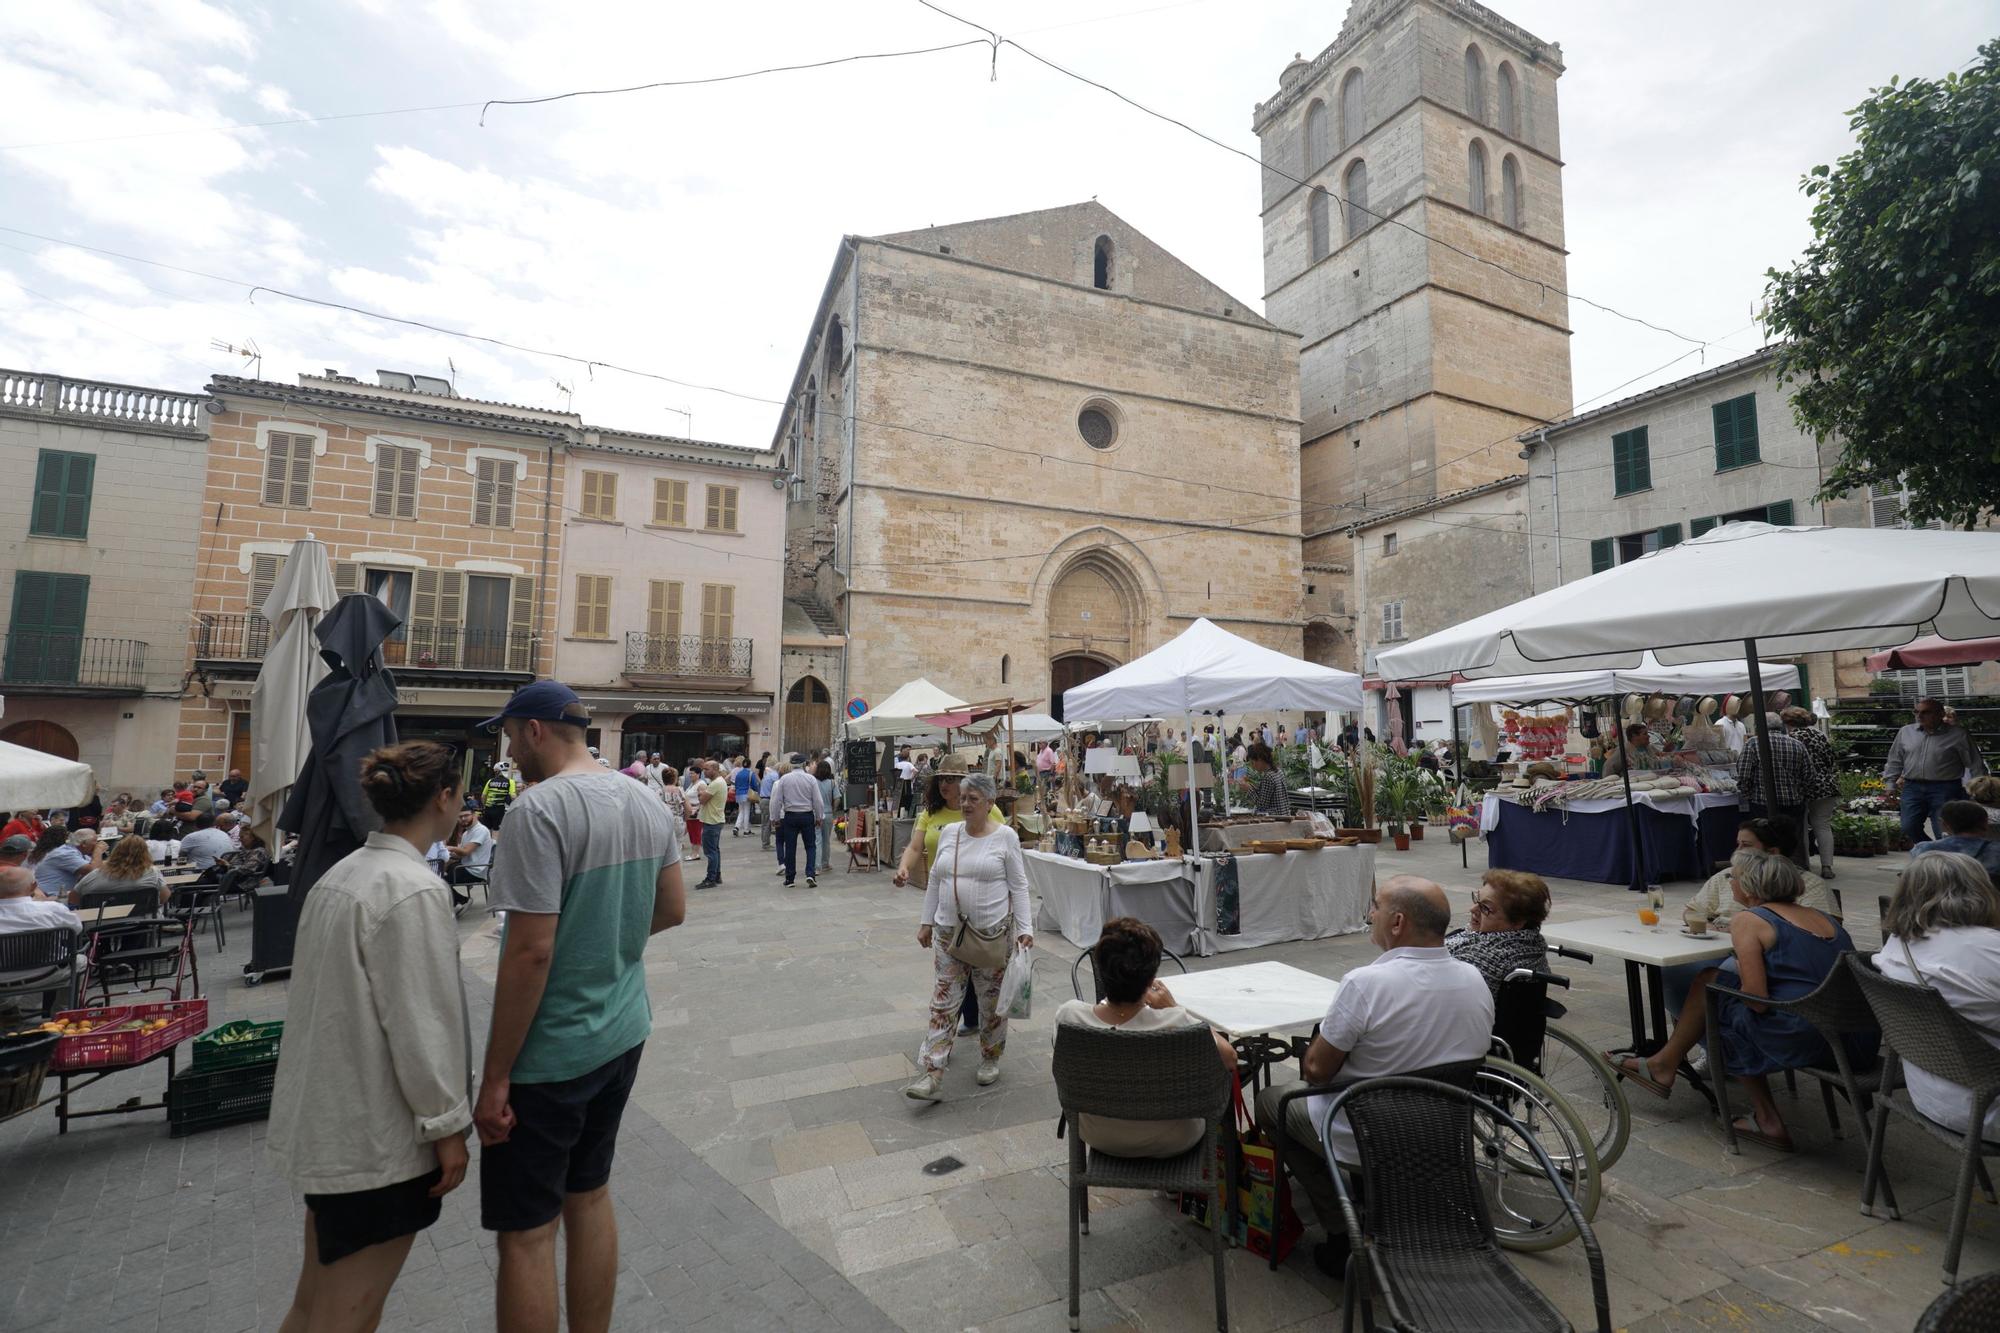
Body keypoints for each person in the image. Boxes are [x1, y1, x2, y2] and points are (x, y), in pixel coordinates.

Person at [472, 681, 685, 1333]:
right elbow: (672, 908)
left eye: (509, 735)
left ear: (534, 729)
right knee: (589, 1195)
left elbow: (531, 952)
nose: (509, 751)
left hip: (552, 1051)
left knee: (528, 1234)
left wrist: (495, 1076)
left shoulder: (539, 811)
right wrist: (606, 939)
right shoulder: (643, 797)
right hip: (622, 1031)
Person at [268, 741, 472, 1333]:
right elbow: (422, 1022)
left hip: (332, 1125)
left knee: (312, 1303)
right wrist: (447, 1125)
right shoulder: (410, 888)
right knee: (346, 1314)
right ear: (443, 797)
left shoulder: (344, 873)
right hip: (377, 1141)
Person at [1254, 876, 1493, 1275]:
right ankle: (1374, 1197)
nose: (1370, 915)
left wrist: (1322, 1045)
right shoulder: (1474, 979)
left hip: (1366, 1132)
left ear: (1397, 922)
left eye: (1375, 907)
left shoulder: (1366, 984)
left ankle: (1340, 1231)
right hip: (1441, 1132)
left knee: (1270, 1103)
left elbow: (1315, 1070)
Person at [1612, 850, 1863, 1152]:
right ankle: (1663, 1063)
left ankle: (1764, 1116)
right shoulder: (1823, 918)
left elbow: (1755, 1001)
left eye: (1734, 877)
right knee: (1712, 984)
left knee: (1712, 998)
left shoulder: (1751, 920)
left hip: (1803, 1035)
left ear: (1750, 886)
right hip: (1852, 1036)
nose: (1730, 883)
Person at [1054, 917, 1237, 1157]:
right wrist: (1173, 1006)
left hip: (1098, 1135)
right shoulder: (1176, 1022)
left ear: (1100, 969)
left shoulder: (1068, 1016)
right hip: (1174, 1138)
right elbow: (1230, 1058)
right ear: (1151, 980)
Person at [904, 772, 1032, 1102]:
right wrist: (925, 922)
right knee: (943, 1002)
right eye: (963, 798)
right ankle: (932, 1072)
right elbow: (935, 880)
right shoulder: (949, 833)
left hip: (991, 934)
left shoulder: (1005, 837)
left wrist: (1026, 930)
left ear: (990, 803)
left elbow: (1018, 886)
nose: (965, 804)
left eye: (973, 798)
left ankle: (990, 1056)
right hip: (949, 932)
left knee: (991, 1004)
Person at [1875, 851, 2000, 1140]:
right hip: (1987, 1103)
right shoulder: (1987, 949)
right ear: (1980, 888)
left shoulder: (1897, 943)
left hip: (1932, 1095)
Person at [895, 765, 981, 1036]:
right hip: (943, 902)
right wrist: (904, 867)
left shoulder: (985, 810)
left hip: (979, 904)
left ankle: (974, 1018)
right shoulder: (930, 814)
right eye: (942, 779)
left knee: (978, 967)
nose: (945, 784)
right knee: (950, 969)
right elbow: (916, 846)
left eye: (952, 779)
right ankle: (946, 1029)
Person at [1885, 697, 1988, 844]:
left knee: (1943, 830)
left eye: (1926, 712)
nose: (1919, 716)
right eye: (1916, 712)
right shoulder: (1905, 732)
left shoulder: (1958, 735)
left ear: (1940, 714)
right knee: (1908, 827)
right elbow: (1895, 759)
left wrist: (1980, 789)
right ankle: (1934, 852)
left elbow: (1975, 763)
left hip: (1945, 788)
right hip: (1912, 787)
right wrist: (1890, 784)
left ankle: (1946, 858)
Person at [1444, 869, 1552, 996]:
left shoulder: (1484, 960)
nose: (1473, 909)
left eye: (1485, 908)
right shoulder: (1531, 942)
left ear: (1517, 922)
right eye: (1477, 899)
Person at [1737, 713, 1811, 867]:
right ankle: (1796, 872)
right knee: (1793, 839)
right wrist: (1800, 793)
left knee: (1764, 839)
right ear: (1781, 725)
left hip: (1762, 802)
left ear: (1760, 726)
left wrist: (1748, 794)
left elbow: (1744, 774)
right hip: (1793, 802)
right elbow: (1809, 775)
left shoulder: (1753, 744)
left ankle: (1768, 872)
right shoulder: (1796, 744)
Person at [1783, 707, 1841, 879]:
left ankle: (1805, 864)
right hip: (1827, 785)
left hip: (1803, 786)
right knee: (1822, 825)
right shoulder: (1820, 735)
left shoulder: (1791, 738)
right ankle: (1827, 866)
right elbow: (1831, 759)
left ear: (1788, 723)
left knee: (1802, 826)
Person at [770, 753, 826, 888]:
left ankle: (790, 878)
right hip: (807, 815)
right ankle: (810, 874)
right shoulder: (810, 779)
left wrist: (775, 818)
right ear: (803, 764)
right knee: (810, 846)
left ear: (791, 764)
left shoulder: (784, 779)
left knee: (790, 847)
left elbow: (776, 801)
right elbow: (818, 801)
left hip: (790, 816)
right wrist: (819, 817)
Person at [1911, 800, 2000, 884]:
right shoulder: (1996, 851)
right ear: (1985, 822)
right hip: (1986, 898)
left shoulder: (1923, 850)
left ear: (1944, 824)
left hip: (1938, 899)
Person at [74, 833, 168, 907]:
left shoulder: (96, 874)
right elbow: (164, 897)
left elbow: (73, 899)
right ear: (146, 853)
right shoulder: (152, 872)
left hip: (101, 927)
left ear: (116, 851)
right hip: (143, 924)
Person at [33, 828, 101, 900]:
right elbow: (93, 871)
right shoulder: (65, 853)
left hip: (62, 896)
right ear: (83, 843)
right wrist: (98, 851)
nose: (97, 844)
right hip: (50, 897)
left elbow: (98, 867)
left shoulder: (77, 852)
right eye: (95, 841)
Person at [694, 760, 727, 889]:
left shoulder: (715, 784)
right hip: (716, 819)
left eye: (707, 769)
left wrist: (700, 793)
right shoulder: (719, 782)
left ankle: (710, 878)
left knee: (710, 851)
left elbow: (702, 800)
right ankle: (716, 875)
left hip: (711, 820)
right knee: (715, 850)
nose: (704, 771)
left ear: (714, 769)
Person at [1243, 742, 1290, 816]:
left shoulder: (1268, 777)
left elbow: (1262, 805)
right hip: (1284, 815)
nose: (1253, 766)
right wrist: (1252, 786)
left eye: (1253, 762)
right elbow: (1267, 795)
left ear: (1260, 759)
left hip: (1276, 819)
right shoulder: (1278, 771)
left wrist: (1248, 789)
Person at [815, 759, 837, 871]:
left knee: (817, 840)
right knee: (826, 840)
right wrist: (833, 808)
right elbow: (837, 798)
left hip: (816, 814)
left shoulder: (814, 782)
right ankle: (825, 863)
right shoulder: (832, 783)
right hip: (828, 813)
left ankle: (816, 864)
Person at [757, 760, 780, 854]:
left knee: (764, 823)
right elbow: (776, 789)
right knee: (767, 823)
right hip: (768, 800)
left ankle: (765, 842)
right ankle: (766, 844)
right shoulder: (775, 776)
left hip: (762, 799)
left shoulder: (767, 775)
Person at [732, 756, 755, 837]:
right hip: (747, 794)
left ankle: (736, 827)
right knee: (746, 812)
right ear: (750, 765)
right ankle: (746, 830)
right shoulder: (750, 773)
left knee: (741, 811)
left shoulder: (738, 773)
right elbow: (754, 785)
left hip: (738, 794)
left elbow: (736, 784)